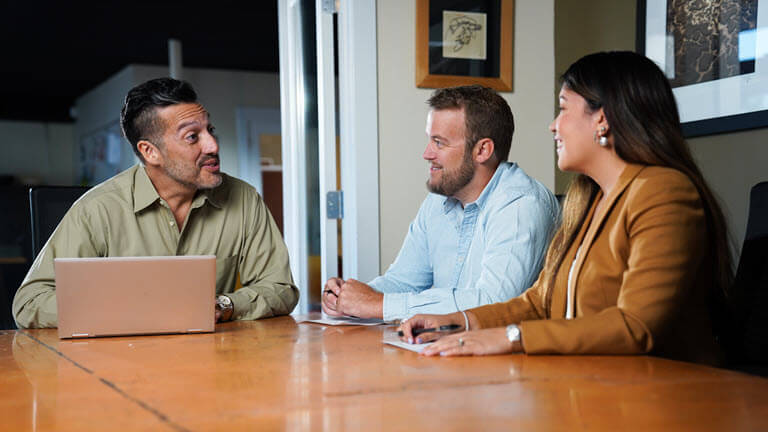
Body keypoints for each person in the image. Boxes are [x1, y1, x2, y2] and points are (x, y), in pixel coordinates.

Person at [399, 51, 733, 366]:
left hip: (663, 397)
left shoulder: (662, 192)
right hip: (589, 383)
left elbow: (634, 325)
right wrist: (459, 322)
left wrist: (511, 337)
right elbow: (539, 302)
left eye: (563, 109)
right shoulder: (586, 201)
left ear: (601, 119)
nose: (553, 126)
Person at [13, 78, 298, 328]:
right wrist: (129, 311)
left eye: (210, 130)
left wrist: (224, 305)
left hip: (211, 365)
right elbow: (30, 303)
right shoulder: (97, 209)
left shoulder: (244, 198)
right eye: (192, 137)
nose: (212, 145)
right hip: (117, 368)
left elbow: (280, 288)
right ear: (150, 152)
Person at [322, 85, 559, 321]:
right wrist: (348, 298)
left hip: (504, 355)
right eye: (429, 140)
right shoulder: (437, 202)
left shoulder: (521, 205)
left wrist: (379, 305)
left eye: (439, 142)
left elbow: (493, 303)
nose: (427, 153)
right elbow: (404, 281)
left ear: (482, 150)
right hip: (447, 350)